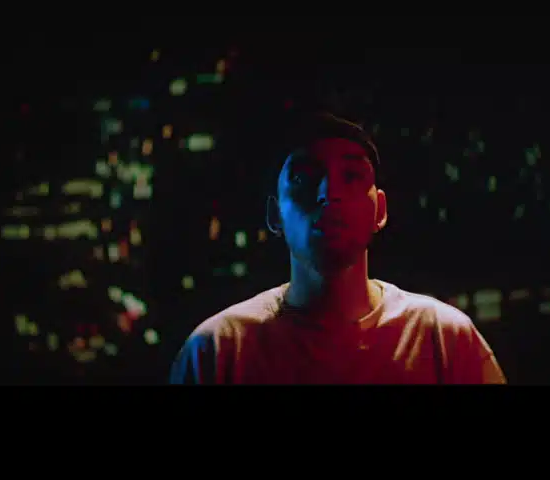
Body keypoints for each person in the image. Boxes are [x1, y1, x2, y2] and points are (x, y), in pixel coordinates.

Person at [170, 111, 506, 384]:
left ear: (380, 210)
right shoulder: (218, 350)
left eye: (352, 176)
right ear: (275, 214)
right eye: (303, 178)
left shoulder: (443, 339)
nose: (329, 193)